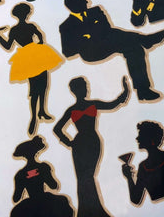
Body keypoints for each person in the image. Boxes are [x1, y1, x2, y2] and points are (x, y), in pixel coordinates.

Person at [59, 0, 164, 101]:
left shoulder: (96, 10)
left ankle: (143, 91)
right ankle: (145, 40)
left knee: (135, 49)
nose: (88, 1)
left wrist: (88, 35)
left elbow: (106, 28)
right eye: (84, 0)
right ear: (75, 5)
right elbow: (67, 52)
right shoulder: (66, 26)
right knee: (115, 34)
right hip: (92, 53)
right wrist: (88, 38)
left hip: (108, 42)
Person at [0, 3, 63, 135]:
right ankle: (35, 116)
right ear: (26, 14)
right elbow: (38, 38)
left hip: (31, 56)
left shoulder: (17, 29)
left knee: (41, 85)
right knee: (38, 87)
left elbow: (9, 45)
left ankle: (41, 111)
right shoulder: (26, 27)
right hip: (32, 56)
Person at [53, 76, 130, 217]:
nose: (86, 89)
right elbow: (57, 128)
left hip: (92, 142)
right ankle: (86, 211)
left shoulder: (93, 104)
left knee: (87, 175)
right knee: (82, 177)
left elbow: (112, 104)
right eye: (83, 87)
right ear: (75, 91)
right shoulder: (72, 110)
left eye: (86, 87)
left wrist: (125, 92)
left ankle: (93, 210)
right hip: (79, 144)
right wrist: (69, 142)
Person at [121, 121, 164, 205]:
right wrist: (129, 177)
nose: (137, 138)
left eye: (140, 135)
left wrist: (158, 195)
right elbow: (136, 199)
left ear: (150, 138)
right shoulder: (143, 167)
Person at [11, 135, 74, 217]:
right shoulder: (43, 167)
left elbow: (16, 198)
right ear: (36, 152)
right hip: (45, 201)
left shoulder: (21, 174)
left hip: (31, 206)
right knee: (63, 203)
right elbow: (53, 185)